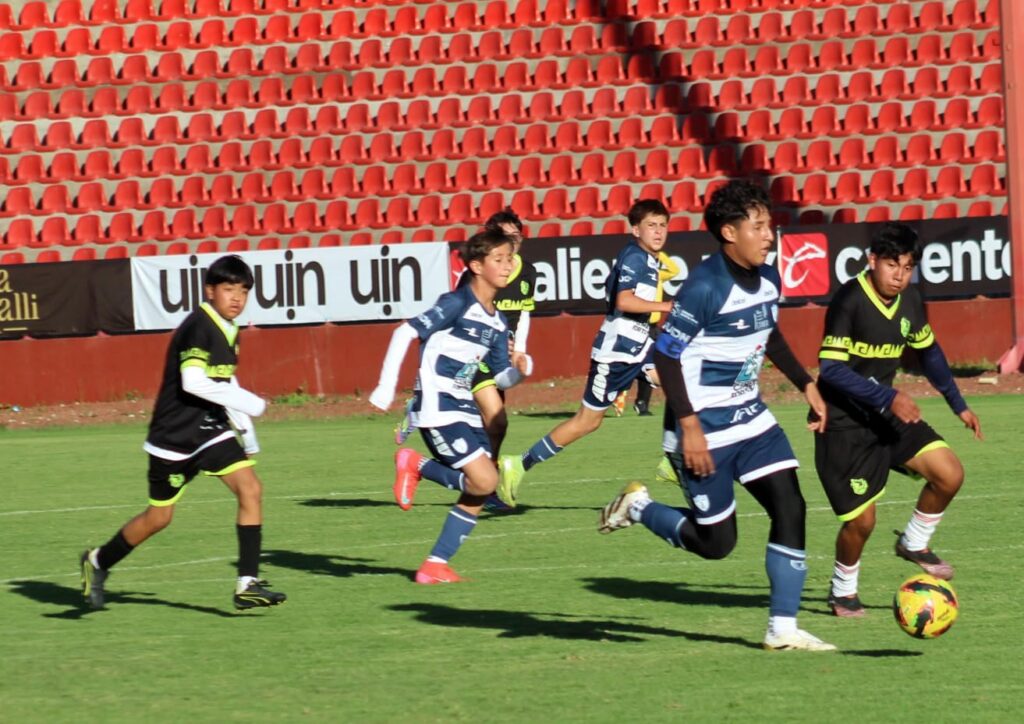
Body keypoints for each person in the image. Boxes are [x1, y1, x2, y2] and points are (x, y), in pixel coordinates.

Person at [598, 180, 835, 651]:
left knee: (791, 506)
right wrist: (689, 429)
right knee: (717, 544)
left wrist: (807, 384)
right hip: (701, 426)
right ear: (729, 232)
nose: (768, 235)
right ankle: (638, 507)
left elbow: (769, 334)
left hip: (751, 419)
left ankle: (782, 629)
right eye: (757, 226)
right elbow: (666, 356)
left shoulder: (768, 277)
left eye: (769, 225)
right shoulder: (705, 286)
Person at [80, 255, 285, 611]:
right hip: (173, 441)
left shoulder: (228, 327)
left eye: (243, 291)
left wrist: (246, 431)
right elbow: (193, 382)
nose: (237, 298)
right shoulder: (198, 327)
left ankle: (247, 583)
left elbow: (223, 380)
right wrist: (252, 403)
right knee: (158, 518)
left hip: (210, 431)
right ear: (210, 291)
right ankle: (97, 561)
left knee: (251, 488)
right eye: (229, 289)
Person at [815, 222, 982, 618]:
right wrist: (888, 396)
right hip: (844, 423)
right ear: (872, 260)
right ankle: (843, 592)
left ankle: (914, 542)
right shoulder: (850, 300)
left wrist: (957, 403)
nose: (899, 276)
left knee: (949, 473)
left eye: (907, 268)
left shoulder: (910, 299)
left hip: (886, 416)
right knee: (862, 523)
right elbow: (831, 370)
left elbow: (930, 352)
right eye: (892, 265)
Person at [369, 228, 532, 584]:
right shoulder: (456, 302)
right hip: (437, 406)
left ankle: (434, 564)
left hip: (464, 407)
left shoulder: (497, 320)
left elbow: (500, 377)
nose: (507, 266)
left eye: (510, 259)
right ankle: (416, 467)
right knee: (484, 480)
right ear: (476, 266)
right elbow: (404, 333)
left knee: (483, 484)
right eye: (499, 260)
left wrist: (519, 372)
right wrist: (385, 386)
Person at [497, 199, 674, 506]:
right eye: (651, 226)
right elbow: (624, 301)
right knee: (587, 421)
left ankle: (673, 459)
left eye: (662, 225)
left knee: (681, 383)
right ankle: (519, 464)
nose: (658, 232)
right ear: (636, 230)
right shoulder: (635, 257)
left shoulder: (646, 258)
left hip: (640, 343)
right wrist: (667, 305)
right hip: (617, 351)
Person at [612, 250, 680, 418]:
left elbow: (675, 270)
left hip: (654, 326)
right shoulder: (638, 276)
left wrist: (659, 253)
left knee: (649, 365)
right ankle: (621, 388)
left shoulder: (658, 275)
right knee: (641, 364)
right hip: (640, 326)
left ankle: (640, 402)